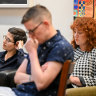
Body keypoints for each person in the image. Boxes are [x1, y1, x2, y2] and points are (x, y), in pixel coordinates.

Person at [0, 5, 73, 96]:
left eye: (32, 31)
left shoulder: (61, 47)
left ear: (45, 24)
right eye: (28, 32)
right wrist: (35, 76)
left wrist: (33, 53)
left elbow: (41, 84)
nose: (30, 36)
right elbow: (17, 77)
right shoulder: (39, 45)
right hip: (19, 92)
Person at [68, 17, 96, 88]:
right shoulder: (71, 50)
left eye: (80, 33)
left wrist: (73, 80)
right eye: (75, 31)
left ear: (89, 35)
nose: (75, 35)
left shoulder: (94, 53)